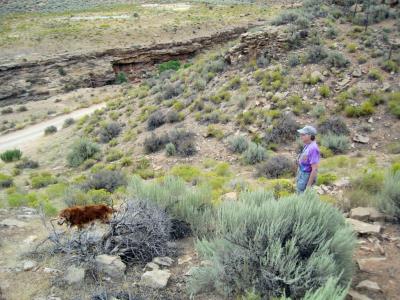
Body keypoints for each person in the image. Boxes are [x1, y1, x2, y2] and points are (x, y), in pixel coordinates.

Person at [296, 125, 320, 193]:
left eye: (303, 134)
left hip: (306, 177)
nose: (301, 136)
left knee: (302, 198)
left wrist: (308, 186)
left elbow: (314, 169)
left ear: (309, 136)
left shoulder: (313, 148)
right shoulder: (307, 145)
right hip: (302, 175)